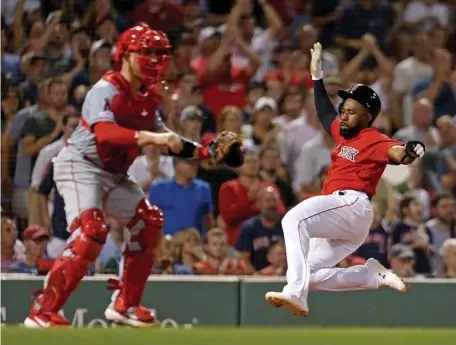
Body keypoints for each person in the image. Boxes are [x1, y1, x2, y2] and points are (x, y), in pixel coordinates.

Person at [23, 23, 243, 328]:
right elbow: (106, 134)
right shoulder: (105, 88)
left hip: (113, 174)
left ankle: (126, 304)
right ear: (126, 55)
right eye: (147, 52)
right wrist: (155, 139)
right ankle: (43, 310)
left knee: (149, 221)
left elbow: (167, 139)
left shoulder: (146, 96)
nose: (155, 60)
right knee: (92, 232)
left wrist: (206, 153)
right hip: (80, 165)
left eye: (159, 53)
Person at [265, 42, 425, 317]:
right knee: (310, 275)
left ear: (368, 116)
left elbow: (396, 153)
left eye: (352, 111)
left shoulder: (373, 138)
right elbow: (325, 112)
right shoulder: (343, 133)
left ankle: (294, 292)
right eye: (344, 109)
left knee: (292, 220)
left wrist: (409, 152)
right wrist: (316, 77)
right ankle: (370, 276)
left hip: (352, 204)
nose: (344, 114)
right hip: (346, 220)